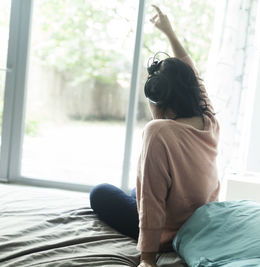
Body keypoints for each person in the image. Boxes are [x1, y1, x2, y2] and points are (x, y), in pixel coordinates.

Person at [89, 5, 220, 267]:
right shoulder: (209, 119)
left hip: (170, 230)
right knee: (135, 188)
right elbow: (192, 75)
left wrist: (148, 259)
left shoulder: (158, 131)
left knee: (100, 193)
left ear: (157, 100)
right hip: (200, 218)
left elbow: (151, 200)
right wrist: (169, 32)